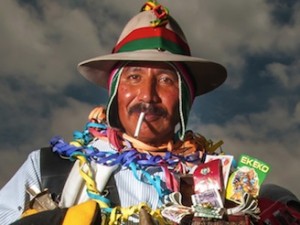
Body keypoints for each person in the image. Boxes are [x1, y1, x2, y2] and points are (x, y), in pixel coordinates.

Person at [0, 1, 299, 225]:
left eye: (167, 80)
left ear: (185, 99)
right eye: (133, 77)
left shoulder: (227, 181)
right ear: (115, 91)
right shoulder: (50, 168)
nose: (147, 95)